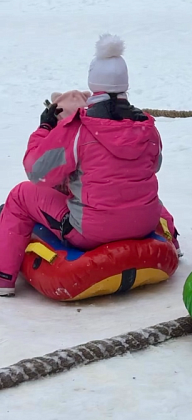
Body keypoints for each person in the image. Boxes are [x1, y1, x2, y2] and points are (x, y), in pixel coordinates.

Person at [0, 34, 179, 297]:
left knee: (20, 195)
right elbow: (154, 165)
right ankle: (173, 240)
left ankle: (4, 278)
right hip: (142, 223)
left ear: (93, 84)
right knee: (137, 188)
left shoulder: (78, 128)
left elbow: (38, 173)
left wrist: (45, 128)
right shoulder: (146, 126)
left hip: (91, 232)